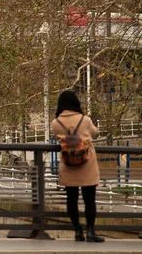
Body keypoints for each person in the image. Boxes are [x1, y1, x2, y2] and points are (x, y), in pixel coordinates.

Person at [51, 90, 104, 243]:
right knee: (89, 200)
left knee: (71, 199)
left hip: (68, 165)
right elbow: (95, 132)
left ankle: (77, 231)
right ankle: (91, 231)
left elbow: (57, 137)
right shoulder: (85, 120)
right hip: (87, 164)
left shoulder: (56, 123)